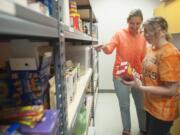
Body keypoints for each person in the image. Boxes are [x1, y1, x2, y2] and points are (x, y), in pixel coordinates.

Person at [122, 17, 180, 135]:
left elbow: (171, 90)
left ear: (162, 31)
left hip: (163, 111)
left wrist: (141, 88)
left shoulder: (170, 53)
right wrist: (135, 80)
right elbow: (149, 76)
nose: (145, 35)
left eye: (149, 31)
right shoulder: (151, 49)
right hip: (149, 105)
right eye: (144, 31)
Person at [94, 9, 147, 135]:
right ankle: (127, 129)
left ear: (141, 23)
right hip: (120, 75)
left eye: (138, 23)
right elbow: (109, 49)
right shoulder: (119, 34)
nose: (135, 26)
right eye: (132, 23)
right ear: (127, 21)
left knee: (141, 105)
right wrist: (104, 47)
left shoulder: (143, 37)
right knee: (124, 105)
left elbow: (144, 57)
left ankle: (144, 128)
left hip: (137, 76)